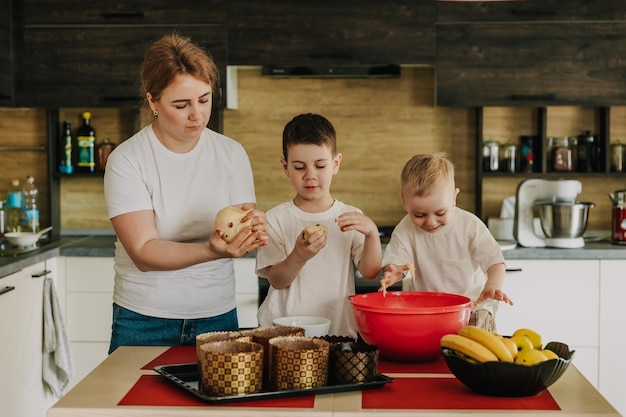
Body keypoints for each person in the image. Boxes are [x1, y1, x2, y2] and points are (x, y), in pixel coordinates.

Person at [103, 33, 268, 353]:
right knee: (137, 404)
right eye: (181, 104)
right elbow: (144, 252)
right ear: (153, 101)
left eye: (204, 99)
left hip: (216, 315)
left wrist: (255, 229)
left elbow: (241, 228)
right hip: (144, 319)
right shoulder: (127, 160)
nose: (197, 115)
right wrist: (211, 250)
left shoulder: (230, 154)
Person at [256, 113, 383, 338]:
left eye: (320, 165)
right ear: (285, 167)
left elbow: (370, 272)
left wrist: (372, 234)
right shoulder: (275, 219)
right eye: (299, 167)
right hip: (284, 333)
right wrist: (299, 255)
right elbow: (276, 280)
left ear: (335, 164)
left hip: (337, 331)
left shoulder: (349, 217)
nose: (310, 176)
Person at [379, 152, 512, 331]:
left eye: (440, 213)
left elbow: (495, 262)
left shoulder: (469, 226)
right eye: (419, 215)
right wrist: (393, 272)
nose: (431, 222)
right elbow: (397, 264)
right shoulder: (405, 230)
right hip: (429, 312)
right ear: (404, 201)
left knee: (474, 350)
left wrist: (492, 285)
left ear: (454, 198)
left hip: (473, 308)